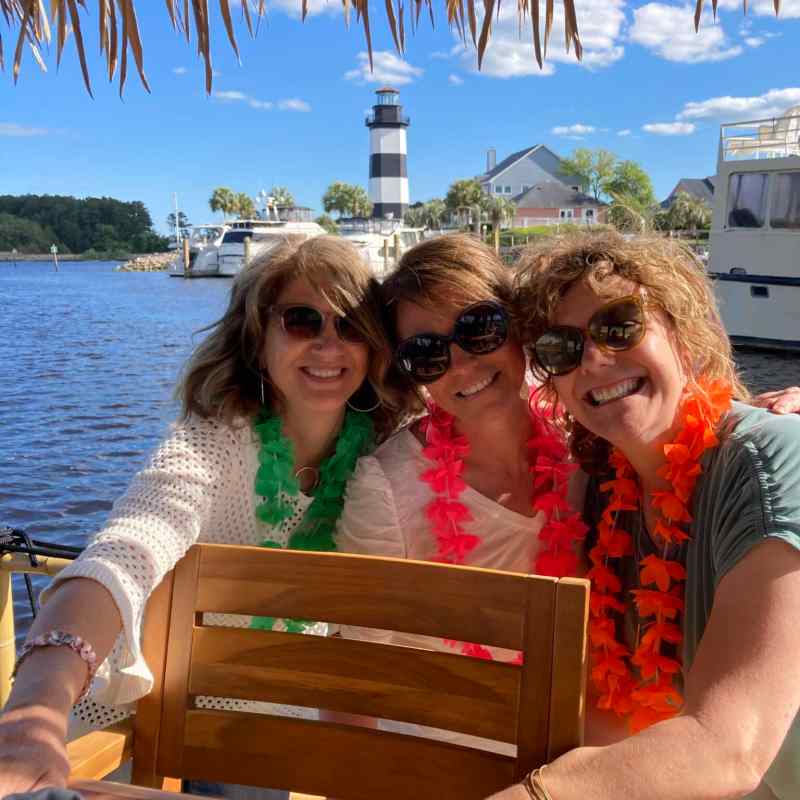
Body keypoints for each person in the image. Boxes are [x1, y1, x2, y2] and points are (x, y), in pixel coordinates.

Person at [0, 236, 397, 796]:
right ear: (258, 339)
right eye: (303, 321)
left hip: (275, 713)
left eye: (352, 326)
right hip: (135, 718)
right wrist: (31, 715)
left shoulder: (386, 450)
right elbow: (129, 546)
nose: (330, 346)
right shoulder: (213, 443)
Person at [484, 232, 800, 800]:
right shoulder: (603, 486)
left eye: (619, 326)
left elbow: (729, 746)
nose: (597, 358)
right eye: (561, 348)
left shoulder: (773, 460)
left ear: (683, 332)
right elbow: (606, 713)